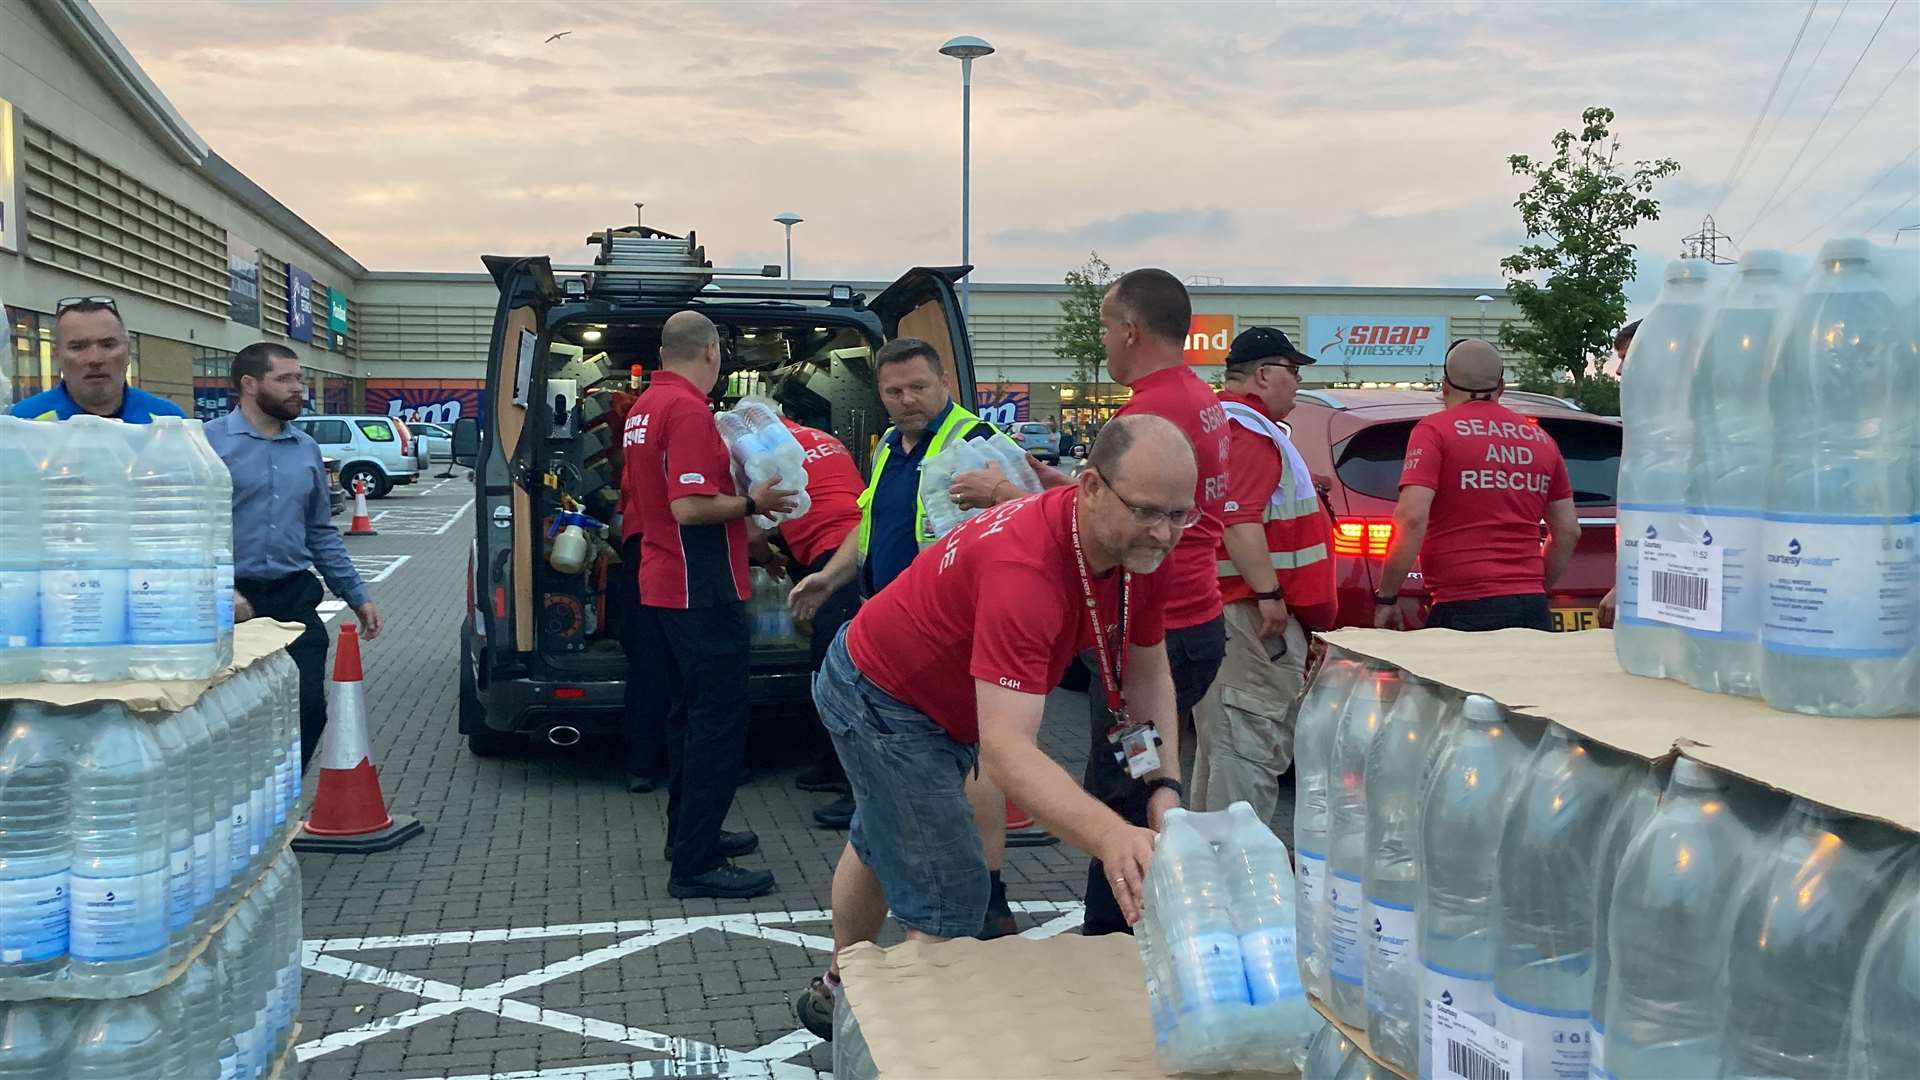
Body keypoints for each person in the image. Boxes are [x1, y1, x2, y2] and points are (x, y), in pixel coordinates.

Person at [791, 415, 1194, 1040]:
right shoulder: (1026, 568)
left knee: (882, 839)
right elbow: (1007, 753)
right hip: (882, 694)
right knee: (951, 901)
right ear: (1090, 487)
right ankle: (922, 1048)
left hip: (923, 692)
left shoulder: (1137, 547)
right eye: (1147, 511)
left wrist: (1161, 783)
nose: (1164, 533)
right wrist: (1113, 836)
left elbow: (1145, 672)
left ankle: (837, 991)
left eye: (1179, 514)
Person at [950, 268, 1228, 937]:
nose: (1103, 340)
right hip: (1191, 613)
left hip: (1148, 615)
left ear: (1129, 330)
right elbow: (1112, 516)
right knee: (1137, 787)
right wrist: (1061, 488)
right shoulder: (1197, 397)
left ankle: (1115, 941)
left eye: (1105, 326)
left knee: (1120, 794)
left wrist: (1000, 495)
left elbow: (1119, 530)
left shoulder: (1149, 420)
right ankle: (1124, 932)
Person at [785, 337, 1019, 937]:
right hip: (890, 631)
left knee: (975, 762)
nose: (906, 400)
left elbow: (1027, 524)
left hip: (951, 640)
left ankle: (988, 891)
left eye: (918, 386)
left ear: (944, 383)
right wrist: (830, 577)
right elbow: (870, 522)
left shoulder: (978, 446)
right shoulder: (891, 444)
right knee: (914, 785)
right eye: (893, 391)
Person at [622, 310, 795, 899]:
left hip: (663, 582)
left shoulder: (645, 408)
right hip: (701, 588)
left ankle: (688, 835)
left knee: (684, 716)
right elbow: (689, 507)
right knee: (718, 722)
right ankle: (695, 865)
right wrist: (754, 503)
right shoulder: (688, 410)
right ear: (712, 351)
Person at [206, 343, 381, 772]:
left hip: (292, 598)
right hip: (228, 604)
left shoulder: (304, 449)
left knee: (308, 707)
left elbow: (321, 532)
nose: (298, 389)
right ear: (249, 385)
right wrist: (217, 588)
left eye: (298, 379)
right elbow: (189, 529)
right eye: (285, 379)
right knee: (227, 716)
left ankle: (279, 801)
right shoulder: (207, 444)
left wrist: (358, 596)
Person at [1191, 327, 1337, 819]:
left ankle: (1214, 862)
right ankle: (1241, 873)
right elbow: (1238, 518)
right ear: (1263, 374)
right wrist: (1269, 593)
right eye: (1293, 371)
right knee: (1248, 744)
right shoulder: (1250, 431)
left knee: (1224, 745)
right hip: (1254, 618)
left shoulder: (1225, 424)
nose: (1297, 383)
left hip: (1233, 613)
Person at [1374, 338, 1581, 631]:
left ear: (1444, 386)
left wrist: (1387, 597)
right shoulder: (1541, 440)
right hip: (1532, 607)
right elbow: (1569, 531)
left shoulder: (1434, 431)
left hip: (1464, 605)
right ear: (1501, 388)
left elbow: (1411, 518)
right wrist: (1531, 587)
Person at [772, 416, 865, 806]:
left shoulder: (761, 452)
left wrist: (762, 552)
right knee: (828, 663)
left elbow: (754, 523)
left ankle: (854, 784)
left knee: (837, 671)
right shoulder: (817, 437)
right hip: (857, 546)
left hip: (836, 556)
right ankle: (830, 765)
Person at [10, 297, 184, 422]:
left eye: (108, 345)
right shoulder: (24, 422)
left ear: (128, 351)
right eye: (78, 347)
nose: (95, 359)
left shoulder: (168, 422)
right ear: (57, 356)